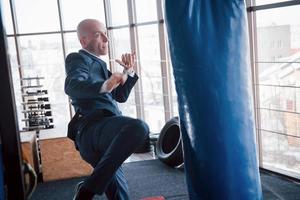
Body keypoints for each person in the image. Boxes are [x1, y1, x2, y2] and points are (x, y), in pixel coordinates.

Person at [64, 18, 149, 200]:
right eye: (98, 34)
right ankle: (87, 190)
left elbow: (120, 96)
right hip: (92, 130)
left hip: (106, 134)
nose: (106, 38)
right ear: (84, 41)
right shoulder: (78, 59)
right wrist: (104, 86)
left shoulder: (101, 66)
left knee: (120, 196)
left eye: (105, 33)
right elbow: (73, 85)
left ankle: (88, 186)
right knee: (138, 127)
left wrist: (128, 72)